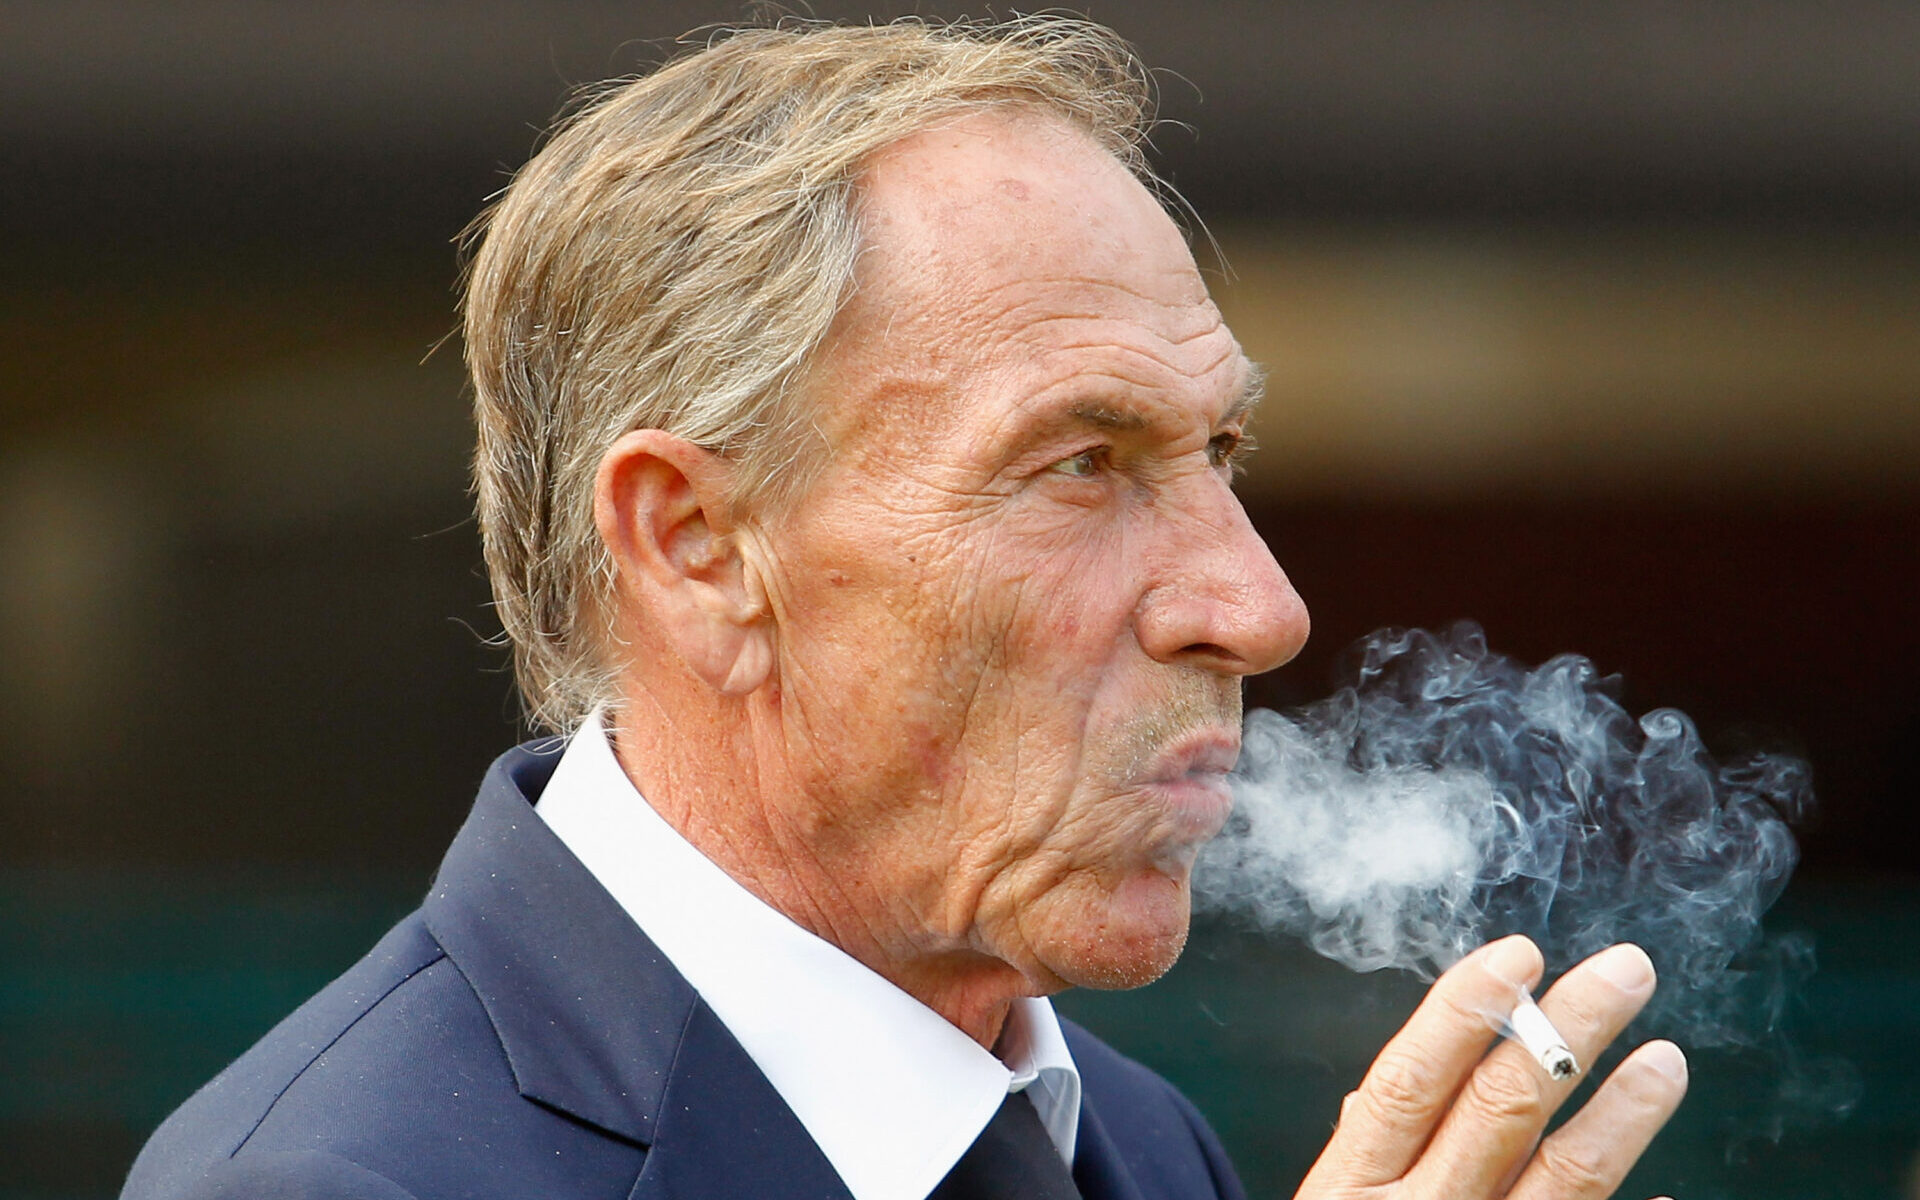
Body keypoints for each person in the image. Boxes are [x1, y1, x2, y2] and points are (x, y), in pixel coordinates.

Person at [122, 18, 1688, 1200]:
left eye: (1222, 450)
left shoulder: (1140, 1146)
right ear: (698, 550)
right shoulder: (344, 1180)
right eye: (1083, 463)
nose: (1258, 607)